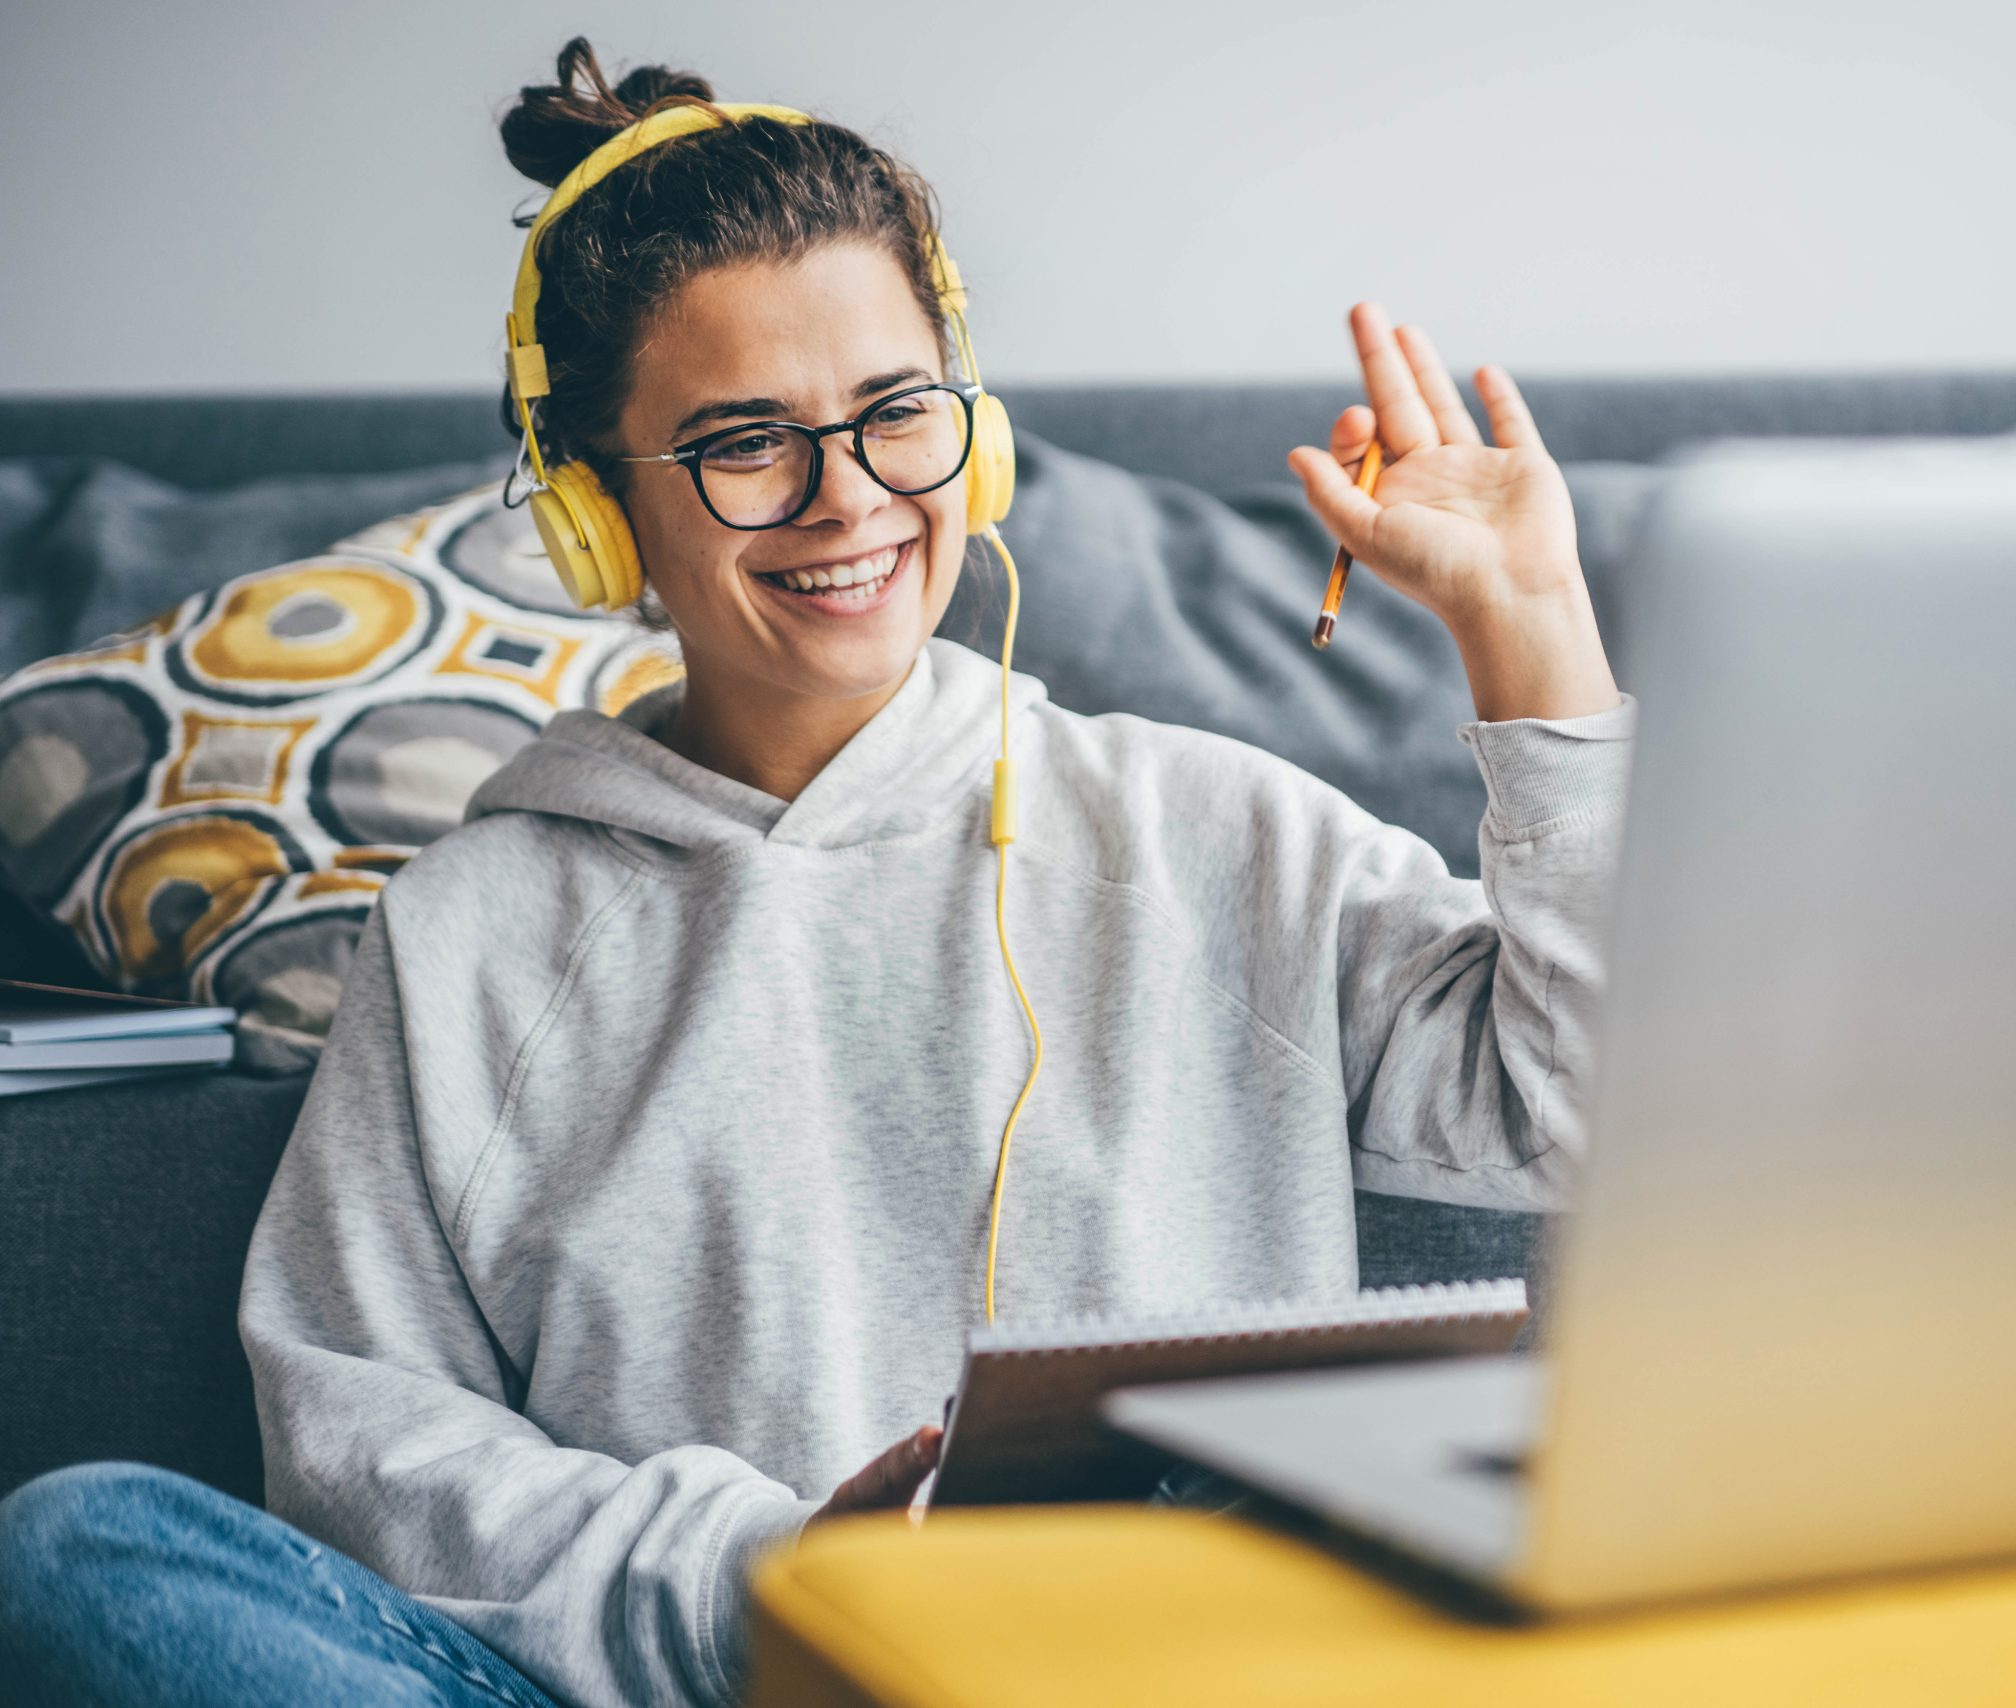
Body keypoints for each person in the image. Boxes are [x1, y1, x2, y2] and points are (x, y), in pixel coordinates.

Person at [0, 36, 1633, 1708]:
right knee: (82, 1550)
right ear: (598, 517)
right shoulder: (471, 935)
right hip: (713, 1684)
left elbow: (1592, 1106)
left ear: (974, 435)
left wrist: (1530, 624)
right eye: (743, 442)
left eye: (893, 415)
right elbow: (360, 1447)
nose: (847, 496)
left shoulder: (1223, 830)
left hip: (1154, 1674)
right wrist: (780, 1581)